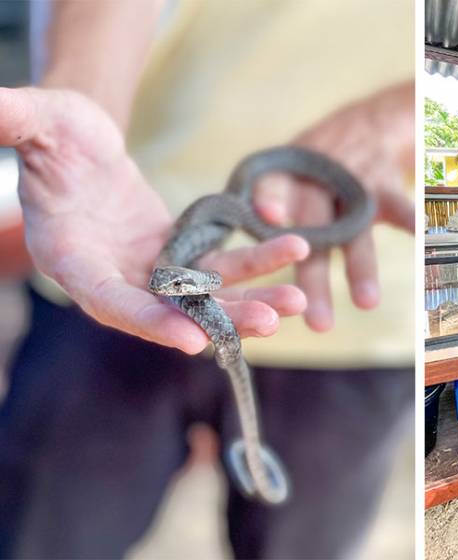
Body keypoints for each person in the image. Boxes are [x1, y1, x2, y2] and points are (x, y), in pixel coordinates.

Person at [0, 1, 414, 558]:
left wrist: (394, 116)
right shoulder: (185, 246)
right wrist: (81, 105)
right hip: (105, 257)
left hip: (364, 321)